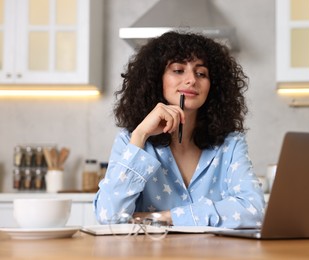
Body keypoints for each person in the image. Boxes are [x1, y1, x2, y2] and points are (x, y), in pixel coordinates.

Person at [94, 30, 265, 228]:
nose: (192, 80)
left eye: (201, 73)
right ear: (157, 79)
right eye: (178, 70)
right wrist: (140, 134)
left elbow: (254, 210)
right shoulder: (131, 140)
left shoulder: (230, 144)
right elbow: (109, 216)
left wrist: (165, 217)